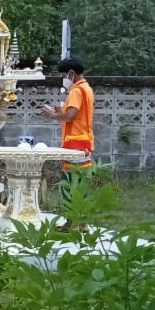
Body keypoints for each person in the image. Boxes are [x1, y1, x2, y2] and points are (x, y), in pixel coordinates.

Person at [42, 56, 95, 205]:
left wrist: (53, 115)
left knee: (70, 185)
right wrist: (60, 112)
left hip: (74, 142)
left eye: (63, 75)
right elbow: (76, 113)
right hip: (84, 140)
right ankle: (82, 216)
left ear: (71, 73)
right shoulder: (87, 88)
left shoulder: (76, 91)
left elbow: (71, 115)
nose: (63, 79)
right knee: (81, 185)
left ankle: (71, 216)